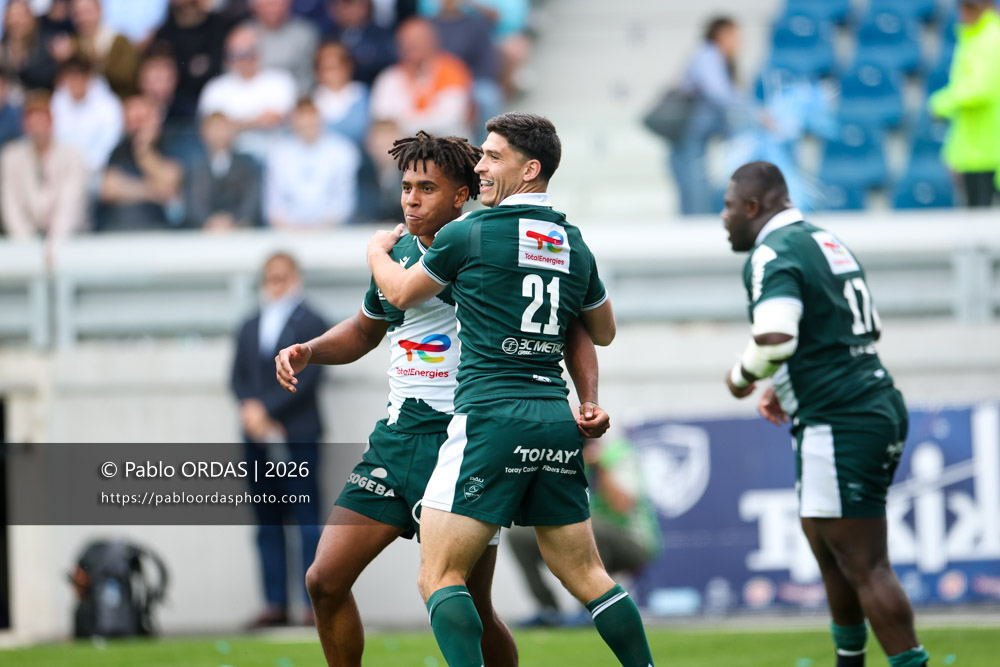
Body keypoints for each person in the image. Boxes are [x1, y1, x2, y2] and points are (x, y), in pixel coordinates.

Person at [365, 112, 655, 667]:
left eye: (492, 156)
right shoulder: (572, 241)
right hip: (555, 417)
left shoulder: (469, 231)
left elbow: (400, 291)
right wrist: (588, 397)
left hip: (490, 418)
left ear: (530, 169)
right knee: (588, 574)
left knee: (438, 576)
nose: (479, 166)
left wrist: (377, 251)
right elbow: (603, 331)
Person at [275, 131, 548, 666]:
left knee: (473, 606)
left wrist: (374, 252)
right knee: (324, 580)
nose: (411, 198)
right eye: (406, 186)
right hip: (397, 442)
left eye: (427, 187)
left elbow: (400, 290)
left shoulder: (480, 244)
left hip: (463, 443)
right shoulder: (399, 252)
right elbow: (363, 330)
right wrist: (310, 349)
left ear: (461, 196)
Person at [721, 161, 929, 667]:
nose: (724, 219)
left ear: (753, 206)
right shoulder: (824, 240)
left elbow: (775, 337)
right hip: (862, 406)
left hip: (843, 418)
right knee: (830, 547)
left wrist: (743, 378)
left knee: (865, 563)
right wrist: (782, 381)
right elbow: (863, 330)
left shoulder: (772, 250)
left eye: (728, 207)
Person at [232, 251, 328, 628]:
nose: (276, 285)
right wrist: (251, 411)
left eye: (282, 277)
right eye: (270, 278)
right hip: (257, 439)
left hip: (297, 433)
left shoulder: (312, 321)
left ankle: (311, 605)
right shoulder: (249, 324)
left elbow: (311, 376)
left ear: (296, 278)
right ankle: (274, 602)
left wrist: (269, 410)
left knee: (306, 518)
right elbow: (238, 377)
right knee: (266, 521)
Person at [507, 437, 662, 627]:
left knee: (589, 522)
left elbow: (622, 505)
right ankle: (548, 611)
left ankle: (592, 608)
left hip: (632, 542)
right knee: (518, 535)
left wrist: (600, 466)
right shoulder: (563, 458)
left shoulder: (617, 454)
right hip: (581, 533)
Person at [669, 16, 751, 216]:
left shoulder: (714, 57)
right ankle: (692, 234)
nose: (738, 43)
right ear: (721, 35)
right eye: (735, 36)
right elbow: (719, 93)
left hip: (695, 134)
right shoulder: (708, 55)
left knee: (695, 183)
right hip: (689, 131)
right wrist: (755, 112)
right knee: (694, 185)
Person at [928, 0, 1000, 208]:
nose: (965, 12)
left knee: (983, 220)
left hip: (986, 149)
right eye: (963, 6)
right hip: (973, 148)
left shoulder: (990, 38)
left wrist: (940, 103)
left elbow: (979, 89)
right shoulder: (973, 35)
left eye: (971, 7)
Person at [0, 90, 88, 252]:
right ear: (24, 125)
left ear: (51, 121)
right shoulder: (11, 156)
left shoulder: (72, 155)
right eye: (32, 121)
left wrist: (54, 245)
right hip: (25, 242)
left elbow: (70, 205)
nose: (37, 127)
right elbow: (11, 207)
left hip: (68, 241)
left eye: (41, 120)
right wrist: (27, 246)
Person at [197, 24, 296, 163]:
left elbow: (273, 120)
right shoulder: (214, 88)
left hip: (272, 159)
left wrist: (231, 124)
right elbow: (211, 129)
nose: (241, 60)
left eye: (246, 53)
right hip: (229, 162)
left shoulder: (280, 81)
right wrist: (257, 120)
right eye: (233, 54)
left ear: (259, 52)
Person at [264, 98, 360, 229]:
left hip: (333, 230)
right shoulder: (279, 154)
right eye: (302, 120)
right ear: (293, 123)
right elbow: (274, 203)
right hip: (288, 230)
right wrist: (290, 228)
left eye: (311, 119)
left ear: (320, 119)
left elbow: (344, 200)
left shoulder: (344, 151)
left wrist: (323, 227)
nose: (307, 125)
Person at [98, 94, 184, 232]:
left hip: (159, 229)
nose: (136, 127)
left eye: (141, 120)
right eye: (132, 121)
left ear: (155, 120)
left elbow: (171, 183)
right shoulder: (120, 150)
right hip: (119, 229)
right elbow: (107, 188)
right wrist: (152, 191)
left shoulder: (170, 143)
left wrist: (143, 151)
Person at [186, 111, 263, 230]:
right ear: (204, 132)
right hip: (204, 233)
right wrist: (208, 222)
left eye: (223, 128)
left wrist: (235, 222)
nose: (219, 133)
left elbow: (251, 203)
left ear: (233, 132)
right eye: (215, 128)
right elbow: (193, 204)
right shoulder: (196, 165)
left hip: (241, 231)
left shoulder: (247, 164)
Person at [50, 56, 123, 175]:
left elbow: (110, 143)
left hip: (97, 170)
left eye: (79, 76)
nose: (75, 81)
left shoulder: (109, 104)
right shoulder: (57, 100)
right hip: (61, 169)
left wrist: (86, 167)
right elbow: (54, 136)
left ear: (89, 77)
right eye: (71, 76)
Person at [246, 0, 320, 95]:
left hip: (297, 98)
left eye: (277, 4)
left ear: (288, 4)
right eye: (267, 4)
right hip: (252, 99)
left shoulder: (305, 34)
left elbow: (310, 76)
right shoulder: (242, 34)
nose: (272, 9)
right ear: (254, 7)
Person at [322, 0, 397, 87]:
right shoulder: (329, 36)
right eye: (342, 4)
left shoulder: (381, 36)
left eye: (350, 4)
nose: (347, 11)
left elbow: (386, 67)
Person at [312, 40, 369, 146]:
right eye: (327, 68)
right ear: (317, 72)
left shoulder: (363, 94)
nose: (334, 73)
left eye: (338, 65)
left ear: (348, 67)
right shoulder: (312, 100)